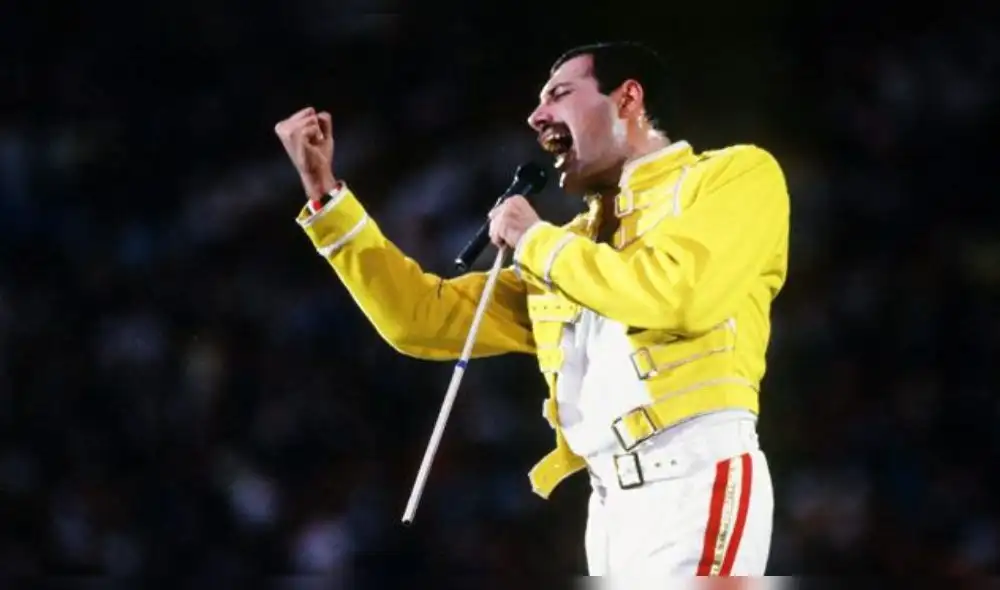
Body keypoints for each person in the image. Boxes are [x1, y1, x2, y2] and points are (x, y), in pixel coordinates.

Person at [274, 41, 790, 580]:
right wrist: (326, 198)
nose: (535, 115)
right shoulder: (568, 250)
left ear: (628, 98)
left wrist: (534, 239)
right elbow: (421, 317)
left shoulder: (733, 177)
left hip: (696, 479)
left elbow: (678, 294)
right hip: (608, 511)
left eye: (559, 94)